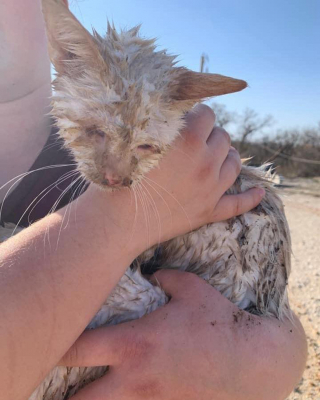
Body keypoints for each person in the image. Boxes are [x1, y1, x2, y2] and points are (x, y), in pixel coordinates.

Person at [0, 1, 307, 399]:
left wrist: (267, 357)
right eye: (95, 133)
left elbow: (270, 316)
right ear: (66, 53)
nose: (114, 175)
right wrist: (117, 221)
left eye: (144, 146)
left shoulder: (188, 164)